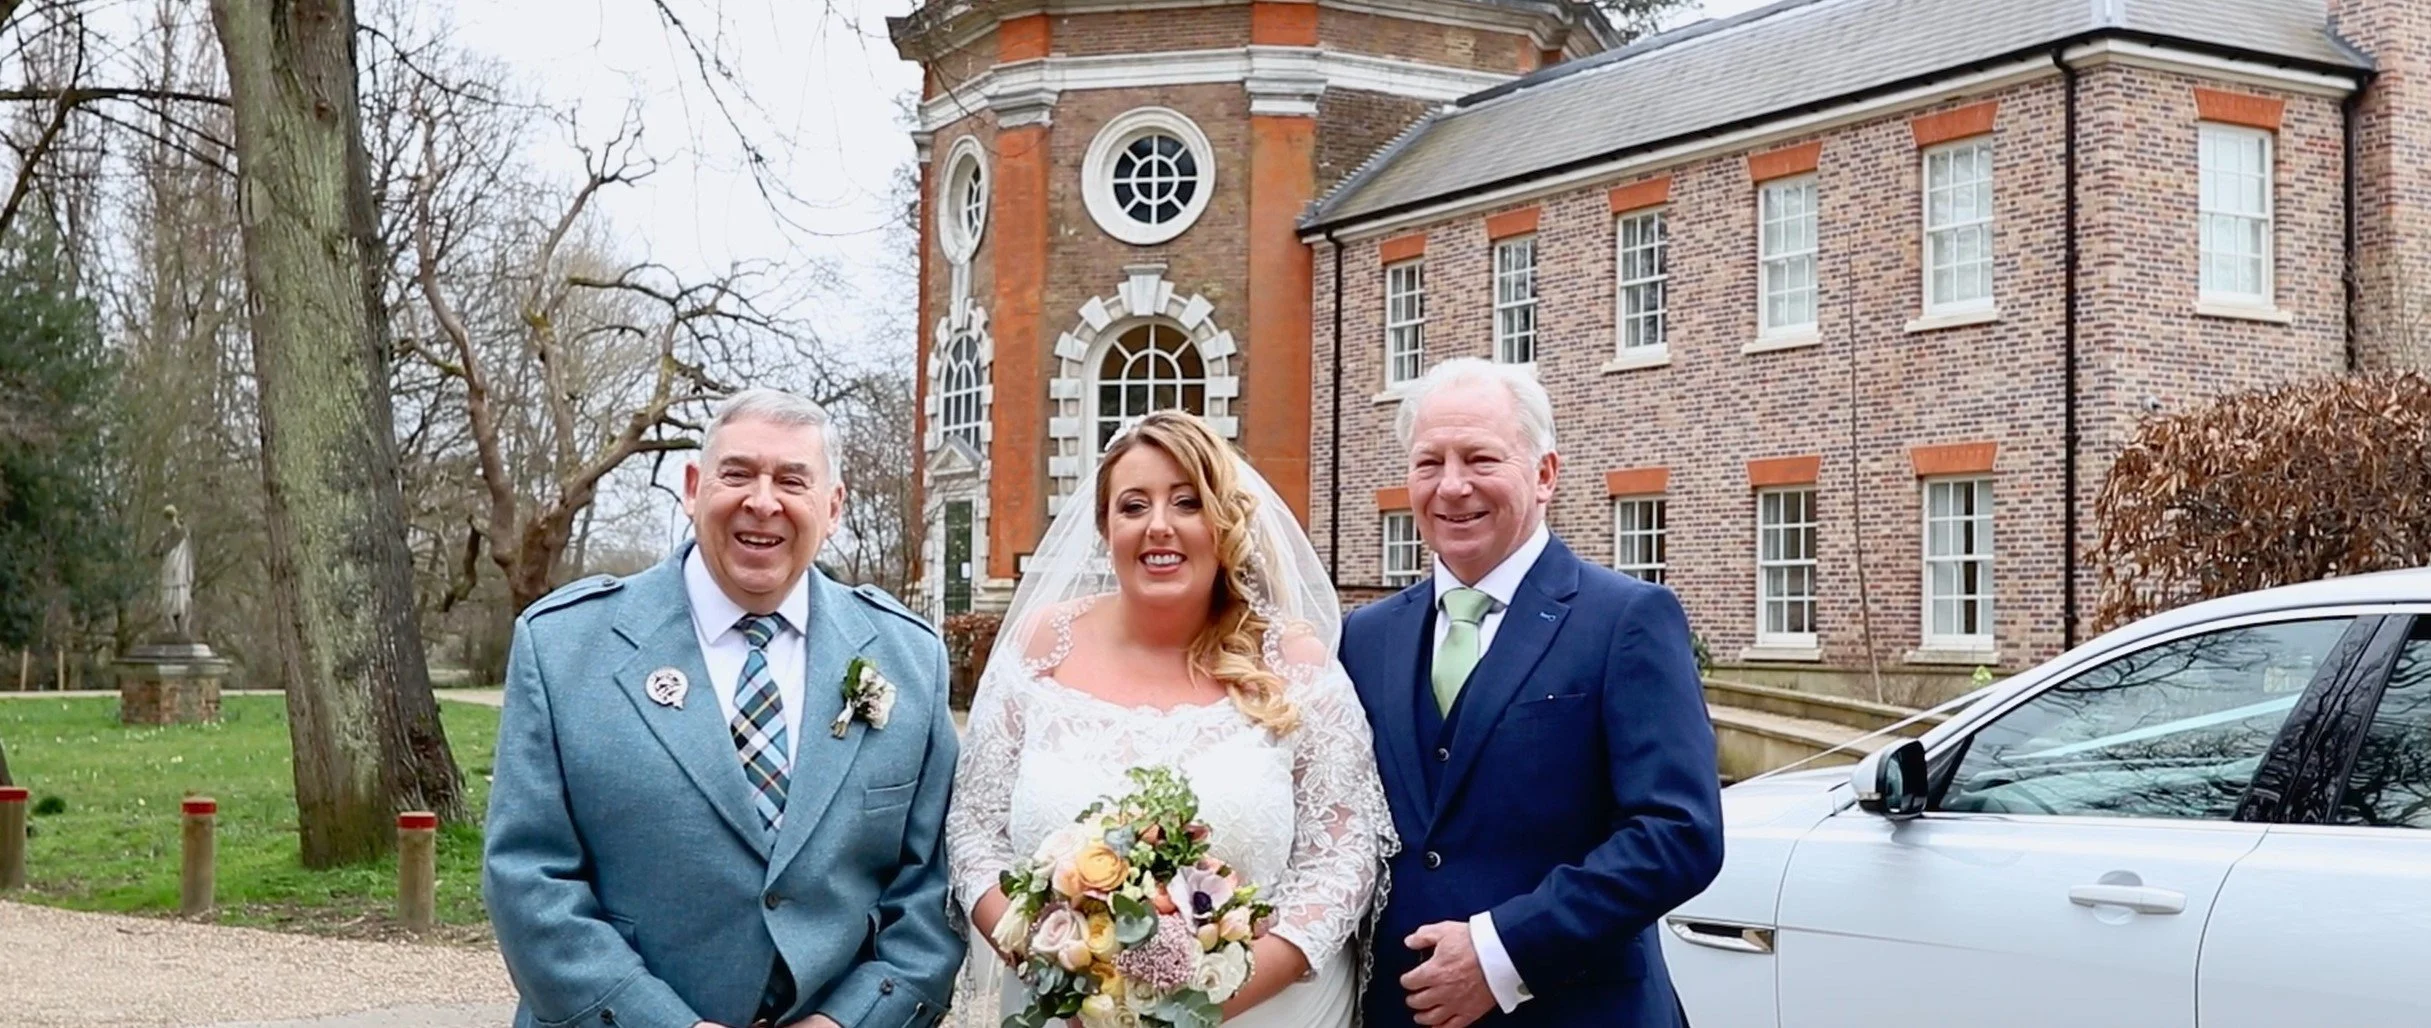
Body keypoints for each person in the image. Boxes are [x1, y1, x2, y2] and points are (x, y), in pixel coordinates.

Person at [484, 388, 964, 1028]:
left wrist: (848, 1022)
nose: (762, 501)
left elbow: (930, 888)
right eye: (737, 473)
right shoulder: (563, 646)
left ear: (834, 506)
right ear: (692, 487)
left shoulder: (910, 658)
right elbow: (527, 876)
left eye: (792, 480)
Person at [944, 410, 1394, 1028]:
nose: (1159, 526)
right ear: (1104, 527)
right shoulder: (1041, 644)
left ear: (1223, 520)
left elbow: (1342, 859)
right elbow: (974, 832)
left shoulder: (1291, 660)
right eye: (1133, 506)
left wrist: (1194, 1006)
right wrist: (1064, 974)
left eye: (1186, 502)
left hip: (1260, 1010)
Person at [1342, 359, 1723, 1028]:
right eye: (1428, 463)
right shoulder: (1365, 637)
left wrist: (1501, 952)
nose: (1451, 486)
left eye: (1480, 458)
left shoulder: (1626, 618)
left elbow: (1677, 833)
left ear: (1544, 474)